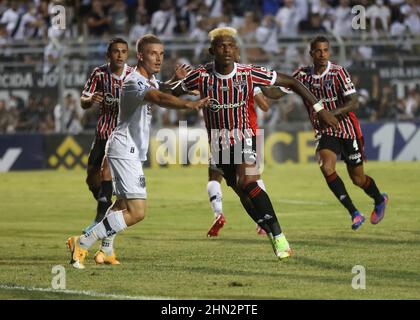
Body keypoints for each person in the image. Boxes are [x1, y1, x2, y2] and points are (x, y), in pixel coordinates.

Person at [176, 27, 338, 260]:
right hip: (218, 144)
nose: (227, 49)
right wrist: (169, 85)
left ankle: (279, 235)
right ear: (212, 50)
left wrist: (319, 109)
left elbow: (289, 83)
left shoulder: (248, 73)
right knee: (242, 192)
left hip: (246, 137)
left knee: (249, 180)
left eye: (231, 45)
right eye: (222, 45)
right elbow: (168, 92)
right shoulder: (201, 76)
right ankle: (270, 230)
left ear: (237, 50)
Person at [66, 34, 209, 269]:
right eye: (153, 53)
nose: (159, 58)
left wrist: (178, 85)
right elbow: (160, 97)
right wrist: (189, 104)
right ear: (140, 55)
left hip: (129, 148)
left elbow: (164, 90)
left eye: (162, 54)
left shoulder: (148, 80)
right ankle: (82, 242)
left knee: (121, 204)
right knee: (137, 212)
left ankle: (106, 251)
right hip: (124, 148)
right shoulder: (134, 81)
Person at [262, 36, 388, 230]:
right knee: (326, 167)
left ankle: (379, 199)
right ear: (311, 53)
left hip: (347, 130)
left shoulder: (338, 73)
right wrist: (256, 83)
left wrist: (328, 113)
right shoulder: (302, 75)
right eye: (318, 51)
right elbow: (276, 93)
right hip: (325, 132)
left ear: (329, 52)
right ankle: (354, 212)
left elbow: (353, 102)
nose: (322, 54)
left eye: (326, 50)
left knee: (358, 179)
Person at [80, 38, 133, 265]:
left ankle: (100, 219)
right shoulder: (99, 74)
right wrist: (90, 99)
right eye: (116, 52)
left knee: (105, 173)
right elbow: (83, 100)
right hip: (102, 134)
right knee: (92, 178)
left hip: (122, 137)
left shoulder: (134, 75)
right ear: (108, 55)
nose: (120, 55)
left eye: (123, 52)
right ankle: (105, 200)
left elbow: (156, 88)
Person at [206, 87, 270, 238]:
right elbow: (265, 106)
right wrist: (259, 90)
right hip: (248, 135)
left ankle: (218, 213)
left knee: (215, 178)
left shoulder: (211, 82)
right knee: (254, 179)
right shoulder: (248, 80)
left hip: (220, 136)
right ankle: (263, 219)